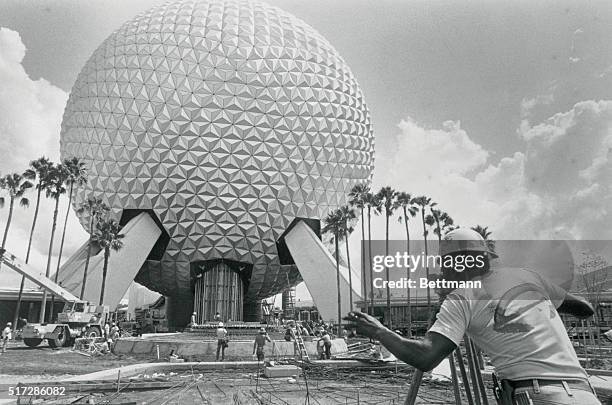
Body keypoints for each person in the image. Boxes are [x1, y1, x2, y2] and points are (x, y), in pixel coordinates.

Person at [345, 228, 601, 405]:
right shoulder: (528, 276)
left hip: (535, 395)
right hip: (584, 393)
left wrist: (379, 331)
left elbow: (425, 357)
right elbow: (584, 308)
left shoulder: (462, 297)